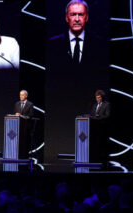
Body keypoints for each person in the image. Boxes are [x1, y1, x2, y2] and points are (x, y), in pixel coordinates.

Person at [45, 0, 109, 162]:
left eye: (81, 14)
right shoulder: (54, 43)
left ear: (87, 17)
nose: (77, 18)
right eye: (73, 14)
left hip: (89, 107)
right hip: (60, 109)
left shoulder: (99, 43)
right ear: (67, 17)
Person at [90, 90, 110, 168]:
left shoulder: (106, 105)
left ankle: (104, 161)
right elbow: (92, 115)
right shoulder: (95, 105)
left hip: (103, 128)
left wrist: (99, 117)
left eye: (99, 97)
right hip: (95, 129)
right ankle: (95, 158)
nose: (98, 99)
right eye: (96, 97)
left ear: (102, 97)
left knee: (103, 145)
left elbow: (108, 116)